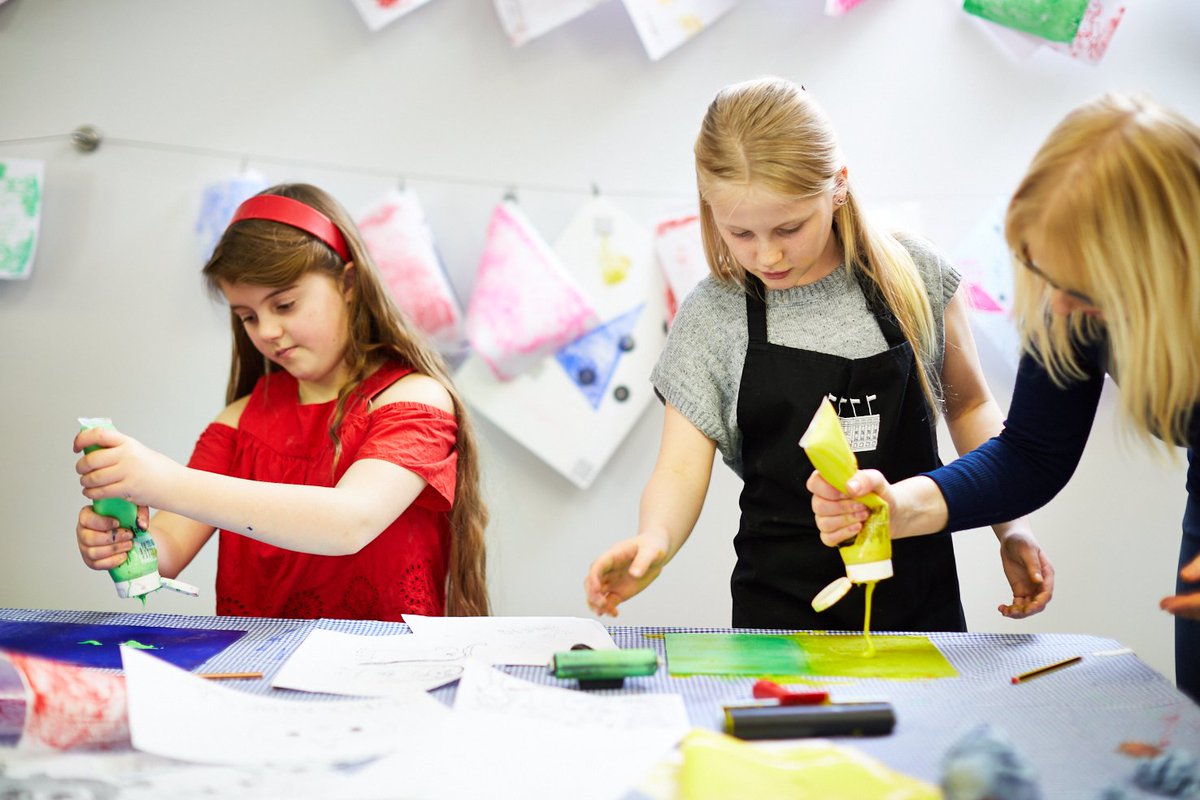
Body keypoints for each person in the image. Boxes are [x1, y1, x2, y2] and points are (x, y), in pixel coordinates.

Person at [584, 76, 1054, 632]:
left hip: (920, 605)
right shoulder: (715, 315)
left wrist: (1012, 525)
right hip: (777, 613)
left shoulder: (917, 275)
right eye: (739, 232)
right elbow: (680, 467)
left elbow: (970, 406)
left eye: (790, 226)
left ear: (838, 187)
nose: (769, 253)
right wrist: (653, 540)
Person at [807, 93, 1200, 700]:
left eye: (1084, 289)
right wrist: (895, 506)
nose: (1060, 308)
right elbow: (1032, 455)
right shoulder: (1065, 292)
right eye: (1045, 276)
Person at [73, 183, 490, 620]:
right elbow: (168, 551)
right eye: (248, 317)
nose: (266, 331)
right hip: (254, 675)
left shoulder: (414, 400)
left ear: (348, 283)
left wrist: (164, 482)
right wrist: (121, 543)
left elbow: (349, 523)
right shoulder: (239, 421)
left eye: (285, 304)